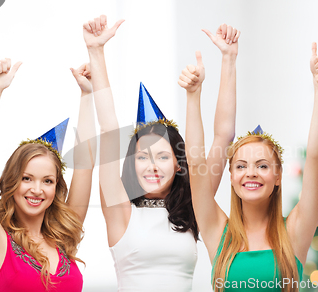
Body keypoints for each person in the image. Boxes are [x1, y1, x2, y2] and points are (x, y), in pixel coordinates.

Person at [82, 15, 240, 291]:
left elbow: (223, 137)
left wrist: (228, 60)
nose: (152, 166)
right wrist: (96, 51)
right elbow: (108, 129)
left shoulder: (193, 208)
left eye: (163, 157)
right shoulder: (120, 210)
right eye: (142, 157)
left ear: (179, 165)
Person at [182, 42, 318, 291]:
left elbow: (315, 157)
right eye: (241, 166)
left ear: (278, 176)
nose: (251, 172)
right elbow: (196, 161)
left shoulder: (295, 231)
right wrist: (193, 95)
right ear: (230, 176)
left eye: (262, 166)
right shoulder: (217, 231)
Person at [0, 58, 96, 291]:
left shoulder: (65, 235)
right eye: (27, 178)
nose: (37, 189)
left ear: (55, 188)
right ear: (12, 181)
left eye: (47, 181)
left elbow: (85, 165)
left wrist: (87, 95)